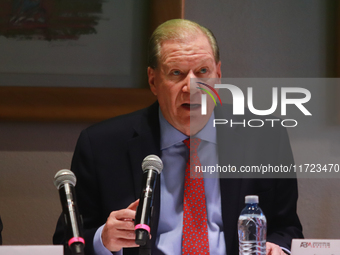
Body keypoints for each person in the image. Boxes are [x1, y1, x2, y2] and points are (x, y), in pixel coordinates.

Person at [53, 19, 303, 255]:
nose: (191, 87)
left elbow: (287, 228)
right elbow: (67, 240)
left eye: (203, 71)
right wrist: (103, 239)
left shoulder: (266, 138)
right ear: (153, 81)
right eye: (176, 73)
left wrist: (276, 247)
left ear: (218, 74)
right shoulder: (102, 145)